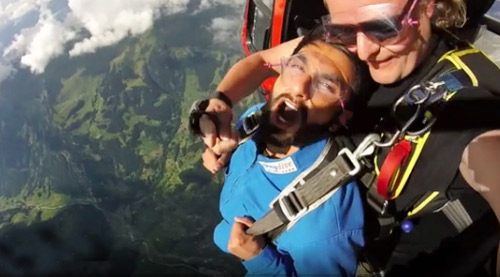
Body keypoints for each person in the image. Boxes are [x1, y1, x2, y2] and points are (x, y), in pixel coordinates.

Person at [194, 0, 500, 275]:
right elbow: (263, 62)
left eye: (384, 27)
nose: (364, 50)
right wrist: (223, 104)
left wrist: (262, 262)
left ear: (428, 5)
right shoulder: (347, 38)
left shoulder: (467, 107)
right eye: (344, 27)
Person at [209, 33, 370, 275]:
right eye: (297, 66)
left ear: (339, 120)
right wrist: (227, 152)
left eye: (326, 85)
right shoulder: (255, 120)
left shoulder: (324, 229)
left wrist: (259, 260)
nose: (299, 87)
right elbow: (260, 62)